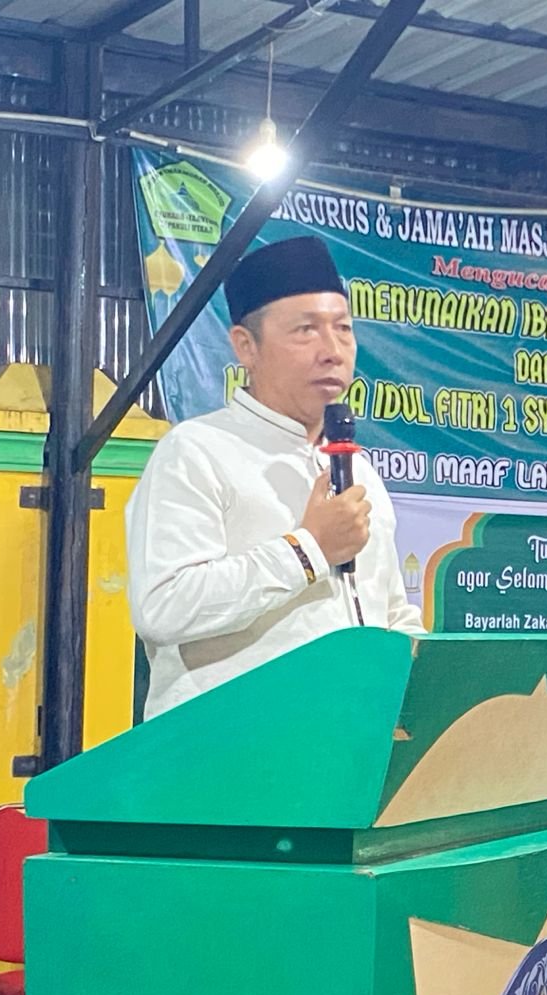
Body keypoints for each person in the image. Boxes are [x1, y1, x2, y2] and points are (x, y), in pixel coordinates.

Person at [126, 237, 422, 716]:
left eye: (343, 329)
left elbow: (387, 612)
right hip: (230, 756)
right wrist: (309, 550)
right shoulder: (196, 452)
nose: (333, 351)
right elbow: (164, 607)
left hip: (345, 748)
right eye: (306, 330)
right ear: (246, 346)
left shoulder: (358, 471)